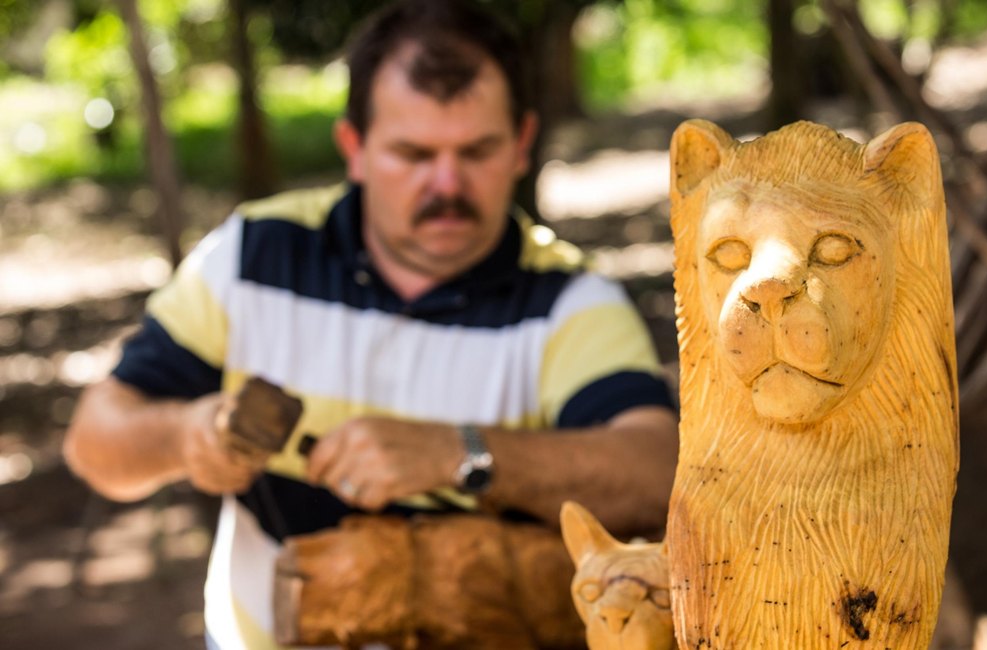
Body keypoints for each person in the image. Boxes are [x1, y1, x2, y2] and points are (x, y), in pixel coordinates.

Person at [63, 0, 679, 647]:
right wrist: (187, 434)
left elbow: (655, 477)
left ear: (522, 144)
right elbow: (95, 444)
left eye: (477, 150)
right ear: (353, 148)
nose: (447, 183)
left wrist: (462, 452)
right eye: (412, 153)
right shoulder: (253, 255)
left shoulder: (571, 301)